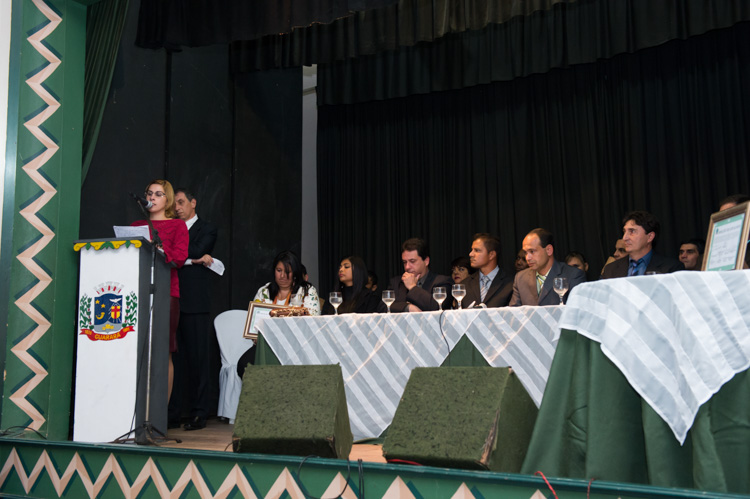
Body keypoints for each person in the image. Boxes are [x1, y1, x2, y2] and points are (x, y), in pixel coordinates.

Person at [131, 180, 188, 403]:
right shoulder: (136, 226)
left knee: (163, 352)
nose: (152, 198)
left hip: (166, 293)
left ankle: (160, 411)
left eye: (158, 194)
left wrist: (160, 249)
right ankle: (137, 407)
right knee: (138, 349)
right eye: (149, 193)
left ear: (168, 200)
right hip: (138, 292)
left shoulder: (177, 226)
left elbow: (180, 258)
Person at [167, 188, 218, 431]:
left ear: (193, 202)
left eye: (181, 202)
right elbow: (178, 254)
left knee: (198, 359)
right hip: (172, 300)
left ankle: (199, 412)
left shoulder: (207, 228)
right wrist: (192, 260)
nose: (177, 208)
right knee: (174, 360)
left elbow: (196, 250)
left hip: (195, 303)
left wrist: (183, 255)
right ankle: (172, 413)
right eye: (174, 204)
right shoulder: (172, 228)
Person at [237, 251, 321, 379]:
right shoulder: (264, 291)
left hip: (296, 346)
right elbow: (253, 323)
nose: (282, 276)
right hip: (266, 345)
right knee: (244, 365)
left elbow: (312, 321)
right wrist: (254, 336)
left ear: (295, 273)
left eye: (288, 271)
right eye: (279, 270)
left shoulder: (307, 291)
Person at [510, 229, 586, 306]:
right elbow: (513, 311)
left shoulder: (572, 275)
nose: (527, 258)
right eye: (526, 253)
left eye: (532, 251)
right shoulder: (520, 278)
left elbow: (578, 309)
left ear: (549, 250)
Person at [601, 211, 683, 278]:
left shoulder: (671, 269)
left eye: (632, 231)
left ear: (650, 237)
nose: (625, 238)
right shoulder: (610, 270)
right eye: (624, 232)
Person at [387, 238, 453, 312]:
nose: (407, 267)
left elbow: (437, 306)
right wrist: (407, 307)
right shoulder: (396, 282)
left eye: (412, 261)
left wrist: (412, 287)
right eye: (405, 262)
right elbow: (383, 306)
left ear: (426, 261)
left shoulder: (443, 282)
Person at [461, 233, 513, 308]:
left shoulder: (511, 284)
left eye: (477, 250)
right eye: (472, 250)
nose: (471, 254)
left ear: (491, 255)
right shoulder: (465, 284)